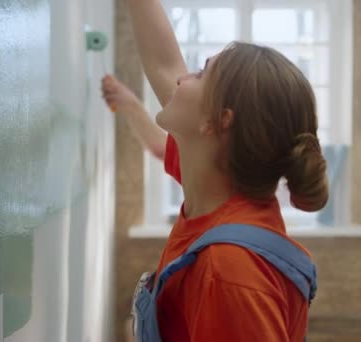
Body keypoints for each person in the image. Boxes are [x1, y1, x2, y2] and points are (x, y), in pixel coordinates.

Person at [102, 1, 328, 341]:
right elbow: (164, 65)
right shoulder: (213, 183)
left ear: (218, 121)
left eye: (201, 73)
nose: (183, 77)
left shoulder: (231, 271)